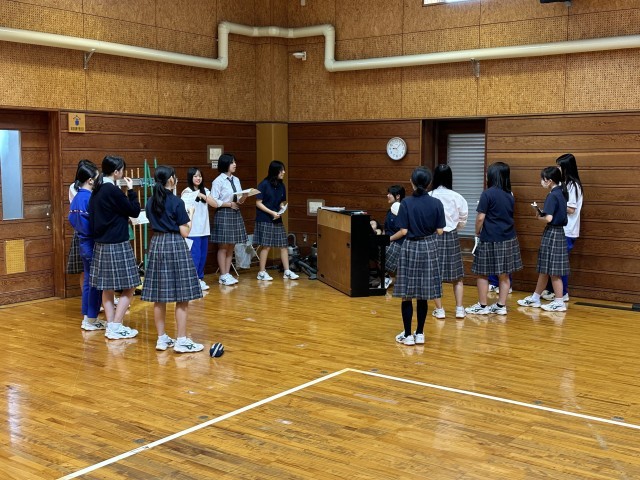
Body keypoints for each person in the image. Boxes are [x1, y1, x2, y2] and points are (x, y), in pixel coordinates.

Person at [142, 166, 204, 353]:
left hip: (157, 244)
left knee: (159, 297)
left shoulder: (150, 201)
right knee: (182, 296)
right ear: (170, 180)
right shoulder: (176, 202)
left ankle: (161, 339)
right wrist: (190, 215)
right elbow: (185, 232)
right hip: (175, 244)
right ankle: (182, 340)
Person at [88, 155, 140, 340]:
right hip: (117, 243)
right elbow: (134, 211)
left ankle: (111, 326)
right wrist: (131, 190)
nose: (123, 173)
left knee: (107, 287)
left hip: (101, 244)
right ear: (117, 171)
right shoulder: (112, 190)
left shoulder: (97, 189)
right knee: (131, 285)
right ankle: (116, 325)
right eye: (122, 169)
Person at [392, 167, 445, 346]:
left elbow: (403, 231)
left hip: (410, 247)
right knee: (423, 294)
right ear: (429, 183)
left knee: (407, 294)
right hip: (429, 248)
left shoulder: (406, 203)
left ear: (412, 182)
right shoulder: (436, 203)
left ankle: (408, 335)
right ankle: (420, 333)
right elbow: (440, 231)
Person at [465, 162, 523, 316]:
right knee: (504, 274)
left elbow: (480, 218)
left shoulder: (487, 194)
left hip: (490, 238)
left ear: (493, 175)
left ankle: (482, 306)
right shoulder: (510, 194)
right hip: (509, 238)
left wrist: (476, 232)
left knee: (482, 273)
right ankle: (501, 306)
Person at [517, 167, 570, 312]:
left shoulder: (552, 195)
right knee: (545, 269)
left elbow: (548, 218)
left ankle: (559, 302)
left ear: (549, 180)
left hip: (552, 233)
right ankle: (535, 297)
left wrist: (538, 216)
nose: (541, 181)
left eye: (543, 179)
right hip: (557, 233)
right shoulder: (561, 192)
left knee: (553, 270)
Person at [541, 153, 583, 302]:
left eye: (559, 166)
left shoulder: (573, 186)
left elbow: (571, 209)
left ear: (566, 167)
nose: (557, 168)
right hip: (561, 230)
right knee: (554, 263)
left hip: (567, 230)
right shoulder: (564, 185)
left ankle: (563, 293)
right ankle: (553, 291)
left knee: (560, 264)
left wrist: (556, 204)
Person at [68, 160, 104, 331]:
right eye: (96, 178)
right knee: (94, 283)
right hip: (92, 243)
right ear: (90, 180)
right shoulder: (89, 198)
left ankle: (88, 318)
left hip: (83, 243)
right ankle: (90, 319)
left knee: (89, 282)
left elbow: (72, 219)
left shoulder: (77, 198)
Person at [429, 164, 468, 319]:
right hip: (451, 236)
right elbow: (463, 219)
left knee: (434, 275)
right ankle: (459, 309)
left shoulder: (430, 196)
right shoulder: (457, 197)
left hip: (433, 236)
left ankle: (440, 310)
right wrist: (454, 228)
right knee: (457, 276)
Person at [254, 160, 300, 281]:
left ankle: (287, 271)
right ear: (275, 171)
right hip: (265, 218)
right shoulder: (263, 184)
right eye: (281, 170)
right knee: (266, 246)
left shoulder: (281, 185)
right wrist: (271, 212)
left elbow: (280, 202)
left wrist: (281, 208)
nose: (283, 172)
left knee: (283, 245)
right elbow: (258, 203)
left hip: (277, 218)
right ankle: (261, 272)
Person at [211, 153, 248, 286]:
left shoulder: (236, 180)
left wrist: (244, 196)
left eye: (235, 162)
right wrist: (229, 204)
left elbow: (239, 199)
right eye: (232, 162)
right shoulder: (218, 181)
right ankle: (223, 275)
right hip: (224, 213)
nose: (235, 164)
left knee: (232, 245)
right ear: (225, 164)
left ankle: (227, 273)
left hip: (235, 212)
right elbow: (214, 201)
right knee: (223, 246)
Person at [181, 167, 217, 291]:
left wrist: (201, 194)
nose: (198, 178)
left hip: (204, 229)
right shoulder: (186, 192)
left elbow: (215, 204)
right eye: (195, 176)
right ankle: (193, 280)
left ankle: (200, 279)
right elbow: (184, 209)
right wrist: (196, 194)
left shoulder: (205, 190)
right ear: (190, 177)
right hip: (193, 230)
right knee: (194, 256)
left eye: (200, 176)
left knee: (202, 256)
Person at [67, 160, 94, 280]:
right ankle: (86, 291)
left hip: (87, 229)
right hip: (83, 228)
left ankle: (88, 290)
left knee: (89, 269)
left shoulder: (91, 188)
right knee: (84, 269)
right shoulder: (75, 188)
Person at [383, 185, 406, 289]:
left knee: (384, 250)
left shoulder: (400, 209)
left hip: (398, 242)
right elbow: (386, 228)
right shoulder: (390, 210)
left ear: (397, 196)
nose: (387, 195)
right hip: (388, 239)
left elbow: (402, 231)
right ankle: (385, 277)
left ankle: (390, 278)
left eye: (390, 194)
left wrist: (388, 239)